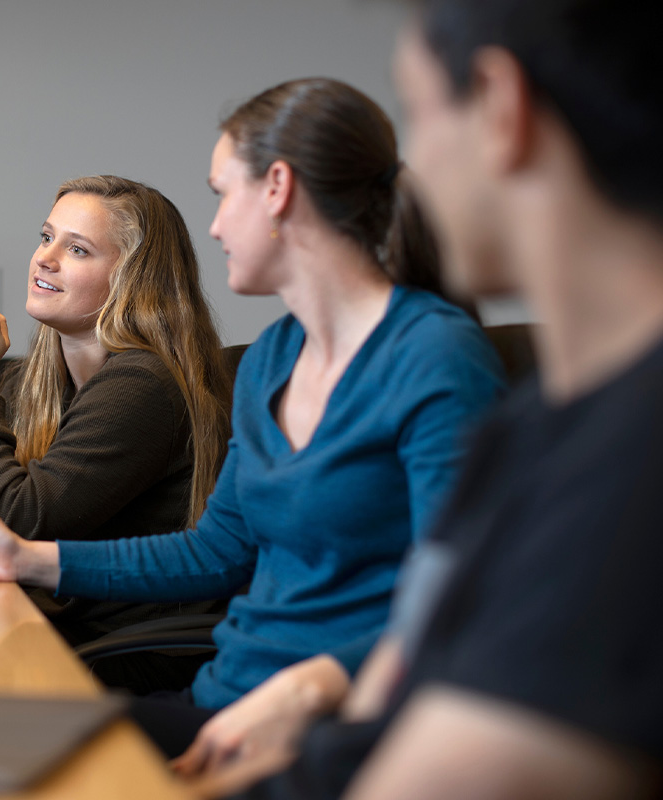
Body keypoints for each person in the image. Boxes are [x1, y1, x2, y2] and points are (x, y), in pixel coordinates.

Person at [0, 78, 505, 757]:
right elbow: (217, 552)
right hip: (226, 695)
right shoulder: (276, 356)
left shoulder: (436, 356)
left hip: (340, 720)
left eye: (221, 195)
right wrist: (26, 557)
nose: (212, 227)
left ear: (277, 190)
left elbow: (470, 595)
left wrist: (311, 691)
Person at [181, 0, 663, 797]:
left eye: (419, 112)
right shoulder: (538, 426)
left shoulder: (625, 460)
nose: (411, 173)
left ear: (501, 107)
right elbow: (414, 656)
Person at [0, 175, 234, 691]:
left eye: (78, 249)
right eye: (46, 237)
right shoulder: (28, 379)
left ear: (134, 279)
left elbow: (20, 526)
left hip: (119, 658)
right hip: (46, 633)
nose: (45, 257)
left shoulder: (145, 381)